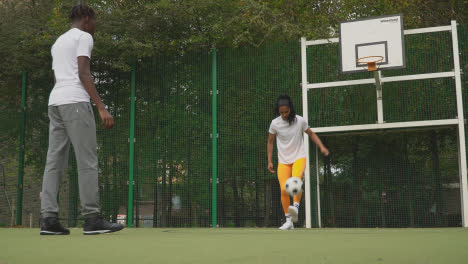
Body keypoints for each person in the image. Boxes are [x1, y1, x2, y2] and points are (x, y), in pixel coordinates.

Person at [40, 4, 123, 235]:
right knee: (87, 161)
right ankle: (92, 219)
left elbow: (58, 77)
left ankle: (49, 220)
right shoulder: (83, 37)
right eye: (94, 21)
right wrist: (101, 107)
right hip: (75, 102)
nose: (95, 26)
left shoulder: (58, 42)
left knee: (54, 161)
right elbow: (83, 73)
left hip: (55, 102)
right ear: (87, 19)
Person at [267, 94, 329, 230]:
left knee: (295, 181)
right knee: (283, 189)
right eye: (281, 112)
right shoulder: (274, 123)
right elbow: (270, 141)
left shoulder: (300, 121)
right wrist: (270, 161)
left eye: (286, 112)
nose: (284, 114)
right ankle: (289, 222)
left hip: (298, 157)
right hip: (283, 161)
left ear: (291, 109)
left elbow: (311, 134)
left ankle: (295, 207)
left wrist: (322, 147)